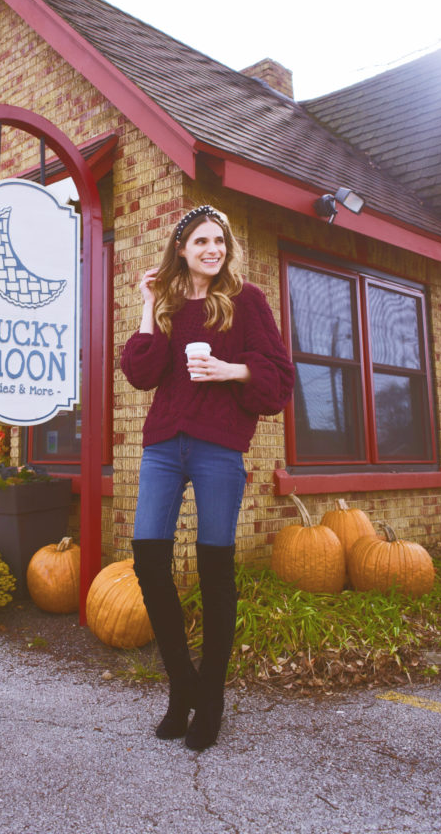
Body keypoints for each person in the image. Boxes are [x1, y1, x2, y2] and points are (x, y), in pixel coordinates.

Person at [120, 204, 294, 751]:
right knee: (149, 559)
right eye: (200, 242)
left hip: (220, 446)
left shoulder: (247, 301)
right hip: (164, 446)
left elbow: (279, 376)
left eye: (219, 240)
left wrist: (231, 369)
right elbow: (142, 372)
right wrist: (149, 305)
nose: (212, 250)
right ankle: (182, 687)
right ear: (182, 249)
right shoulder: (169, 304)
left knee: (215, 568)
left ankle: (210, 698)